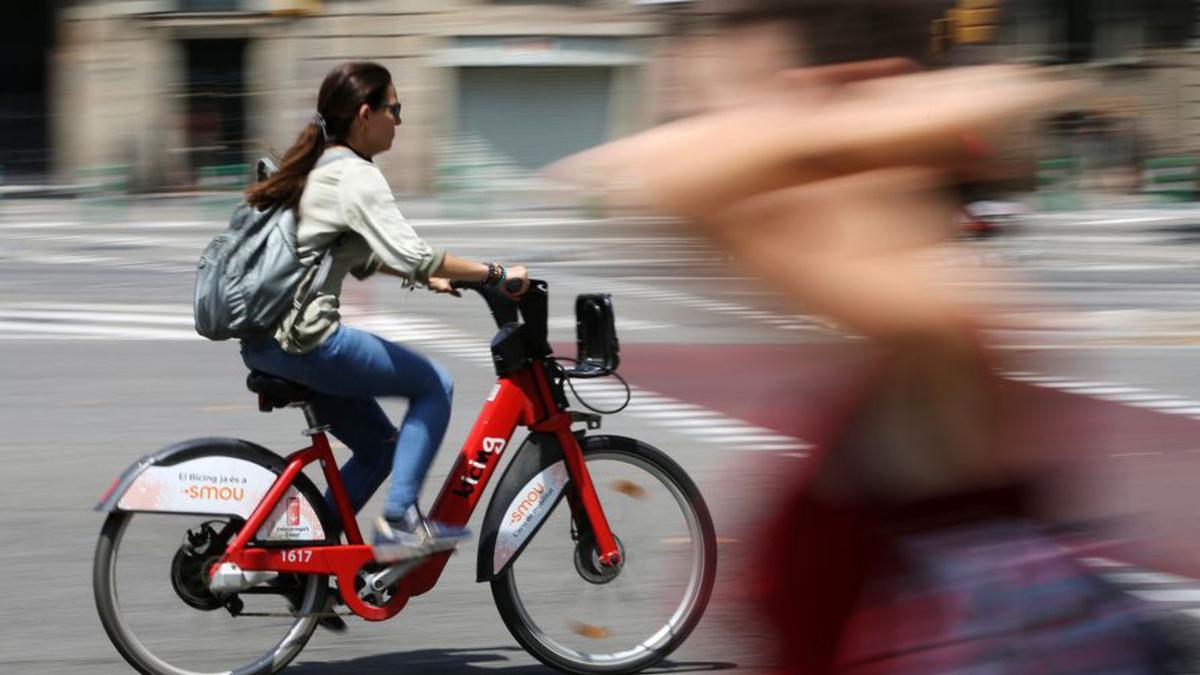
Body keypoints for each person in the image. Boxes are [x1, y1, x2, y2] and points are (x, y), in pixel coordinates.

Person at [241, 61, 529, 564]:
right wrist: (496, 275)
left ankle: (305, 562)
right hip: (307, 342)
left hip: (267, 342)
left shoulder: (322, 167)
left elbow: (360, 254)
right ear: (366, 114)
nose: (400, 120)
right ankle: (400, 523)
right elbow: (413, 252)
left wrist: (431, 278)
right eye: (395, 109)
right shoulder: (355, 175)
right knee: (433, 385)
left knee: (378, 449)